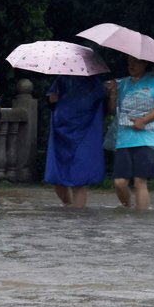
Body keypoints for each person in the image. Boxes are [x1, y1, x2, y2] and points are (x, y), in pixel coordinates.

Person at [107, 55, 154, 210]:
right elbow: (111, 111)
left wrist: (144, 120)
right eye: (129, 62)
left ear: (145, 63)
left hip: (147, 139)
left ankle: (142, 221)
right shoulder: (123, 84)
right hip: (124, 140)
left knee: (139, 181)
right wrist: (113, 94)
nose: (131, 65)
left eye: (136, 62)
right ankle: (127, 209)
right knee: (119, 182)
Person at [44, 74, 108, 208]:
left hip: (84, 132)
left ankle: (78, 215)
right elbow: (51, 102)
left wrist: (112, 93)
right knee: (57, 178)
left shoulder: (94, 83)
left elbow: (103, 108)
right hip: (60, 132)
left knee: (79, 179)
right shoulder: (60, 80)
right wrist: (52, 100)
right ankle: (69, 207)